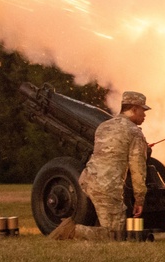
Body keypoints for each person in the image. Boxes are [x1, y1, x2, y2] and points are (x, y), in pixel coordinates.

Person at [49, 91, 151, 241]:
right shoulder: (135, 133)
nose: (145, 115)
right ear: (134, 109)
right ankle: (73, 231)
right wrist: (140, 199)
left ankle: (75, 225)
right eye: (143, 110)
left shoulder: (103, 126)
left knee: (109, 220)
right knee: (115, 235)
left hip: (88, 179)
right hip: (107, 186)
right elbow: (138, 170)